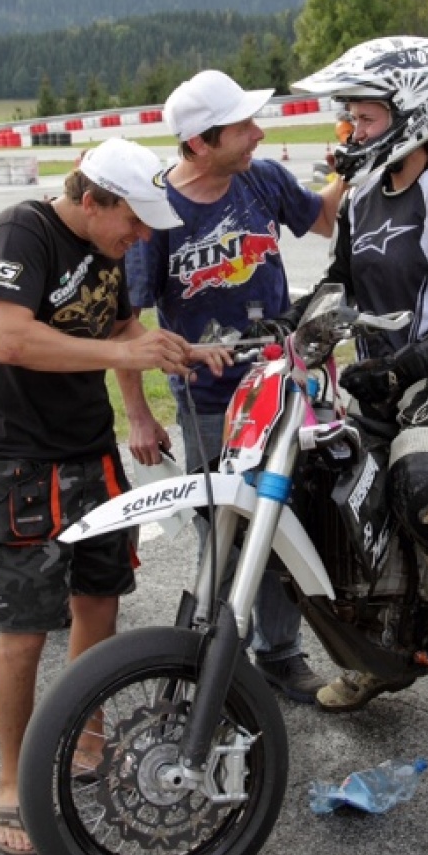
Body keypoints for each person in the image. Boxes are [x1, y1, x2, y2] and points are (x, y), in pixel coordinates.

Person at [0, 138, 231, 855]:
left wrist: (171, 346)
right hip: (21, 457)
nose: (140, 237)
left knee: (99, 599)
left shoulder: (108, 249)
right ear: (91, 201)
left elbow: (118, 326)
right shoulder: (21, 231)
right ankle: (13, 778)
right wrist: (125, 354)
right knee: (23, 627)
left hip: (89, 447)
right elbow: (13, 338)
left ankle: (85, 737)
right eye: (133, 222)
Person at [275, 36, 428, 711]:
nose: (349, 130)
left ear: (410, 113)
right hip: (377, 381)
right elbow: (338, 284)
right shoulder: (357, 200)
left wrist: (409, 363)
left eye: (364, 117)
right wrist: (293, 325)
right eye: (347, 117)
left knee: (416, 477)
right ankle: (374, 652)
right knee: (333, 494)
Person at [123, 69, 347, 703]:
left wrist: (355, 164)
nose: (258, 133)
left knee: (291, 520)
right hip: (211, 408)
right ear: (198, 143)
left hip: (286, 388)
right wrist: (138, 415)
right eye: (243, 127)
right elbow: (128, 324)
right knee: (223, 531)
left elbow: (324, 220)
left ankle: (281, 653)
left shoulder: (262, 178)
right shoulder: (159, 213)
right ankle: (219, 664)